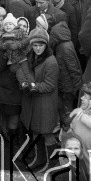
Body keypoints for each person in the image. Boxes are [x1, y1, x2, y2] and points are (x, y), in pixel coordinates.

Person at [20, 27, 59, 171]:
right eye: (35, 45)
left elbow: (50, 85)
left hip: (46, 104)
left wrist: (33, 86)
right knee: (36, 132)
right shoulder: (31, 56)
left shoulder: (51, 61)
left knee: (47, 134)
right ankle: (40, 159)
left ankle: (52, 163)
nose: (37, 48)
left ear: (46, 45)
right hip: (35, 103)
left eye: (41, 45)